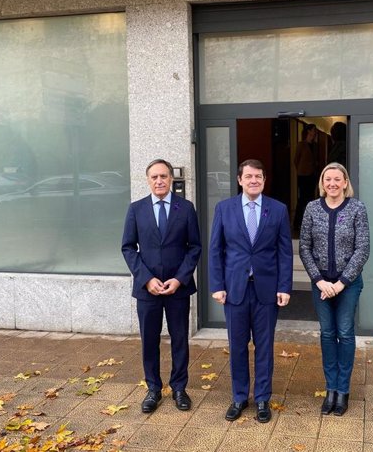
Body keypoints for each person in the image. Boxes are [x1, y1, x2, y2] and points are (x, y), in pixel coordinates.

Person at [209, 159, 293, 423]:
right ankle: (239, 397)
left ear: (264, 180)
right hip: (234, 290)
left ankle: (262, 399)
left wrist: (284, 286)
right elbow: (215, 250)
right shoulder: (224, 209)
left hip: (266, 290)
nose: (253, 180)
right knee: (237, 346)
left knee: (264, 346)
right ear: (239, 180)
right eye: (249, 176)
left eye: (258, 176)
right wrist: (217, 285)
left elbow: (284, 252)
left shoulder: (277, 210)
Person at [122, 159, 202, 414]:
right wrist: (146, 278)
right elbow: (128, 247)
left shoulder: (186, 208)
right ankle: (153, 389)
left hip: (178, 288)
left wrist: (180, 278)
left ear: (171, 179)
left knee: (180, 339)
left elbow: (195, 247)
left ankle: (179, 388)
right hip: (148, 289)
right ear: (148, 180)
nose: (159, 181)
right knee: (149, 341)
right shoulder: (136, 209)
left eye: (164, 176)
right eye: (155, 177)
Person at [299, 162, 370, 416]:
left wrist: (340, 284)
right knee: (327, 334)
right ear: (322, 182)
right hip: (321, 284)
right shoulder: (311, 208)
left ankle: (343, 391)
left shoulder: (357, 208)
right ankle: (330, 388)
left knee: (345, 333)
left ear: (345, 182)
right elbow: (304, 247)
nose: (332, 184)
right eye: (327, 179)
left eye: (337, 179)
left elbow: (362, 249)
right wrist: (319, 280)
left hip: (347, 285)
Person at [293, 123, 319, 230]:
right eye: (314, 130)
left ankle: (310, 222)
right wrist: (301, 170)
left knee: (311, 198)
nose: (315, 132)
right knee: (302, 199)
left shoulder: (315, 146)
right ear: (308, 131)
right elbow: (296, 160)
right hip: (303, 175)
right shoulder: (301, 145)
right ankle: (297, 222)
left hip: (312, 175)